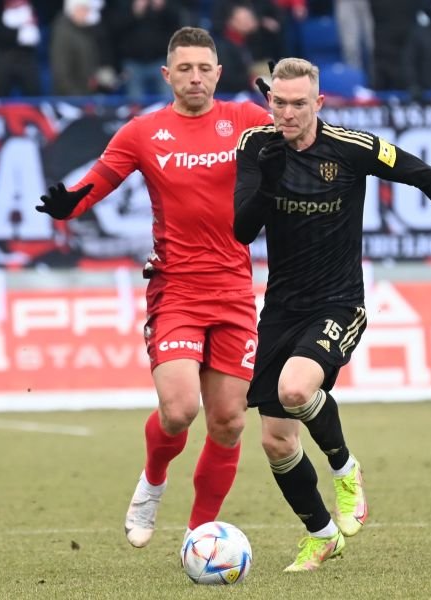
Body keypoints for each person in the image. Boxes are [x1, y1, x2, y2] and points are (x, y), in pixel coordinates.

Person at [233, 57, 431, 572]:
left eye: (299, 104)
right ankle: (321, 535)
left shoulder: (350, 147)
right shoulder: (255, 146)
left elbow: (423, 174)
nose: (288, 113)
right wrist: (268, 182)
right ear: (269, 101)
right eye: (279, 103)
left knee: (295, 390)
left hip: (338, 303)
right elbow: (242, 231)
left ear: (319, 103)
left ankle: (344, 467)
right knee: (275, 441)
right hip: (281, 308)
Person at [36, 26, 273, 550]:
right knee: (180, 409)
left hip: (234, 290)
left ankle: (199, 537)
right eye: (184, 69)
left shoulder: (246, 121)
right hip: (177, 290)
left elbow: (305, 139)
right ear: (167, 75)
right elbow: (99, 180)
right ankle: (152, 483)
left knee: (229, 420)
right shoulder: (144, 132)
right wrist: (70, 204)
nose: (195, 78)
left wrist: (288, 109)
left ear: (219, 73)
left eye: (204, 68)